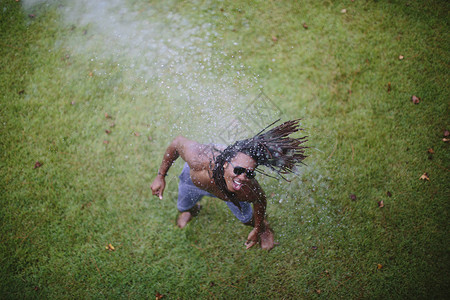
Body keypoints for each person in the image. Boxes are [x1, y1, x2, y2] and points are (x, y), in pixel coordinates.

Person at [150, 119, 307, 250]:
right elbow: (177, 143)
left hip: (229, 196)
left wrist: (257, 227)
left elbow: (260, 201)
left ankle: (265, 229)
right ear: (226, 164)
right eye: (238, 170)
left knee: (247, 219)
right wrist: (160, 176)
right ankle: (192, 210)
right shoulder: (199, 159)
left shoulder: (247, 188)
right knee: (183, 207)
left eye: (249, 173)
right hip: (194, 182)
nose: (243, 177)